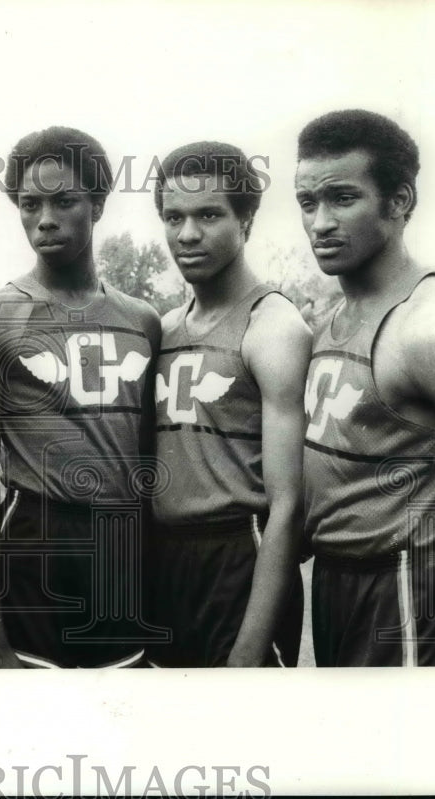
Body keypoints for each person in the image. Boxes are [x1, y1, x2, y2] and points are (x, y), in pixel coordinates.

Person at [0, 127, 162, 669]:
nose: (45, 218)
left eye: (64, 201)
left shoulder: (142, 320)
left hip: (121, 547)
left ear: (98, 204)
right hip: (36, 538)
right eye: (30, 204)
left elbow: (145, 462)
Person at [295, 109, 435, 666]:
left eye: (342, 198)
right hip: (335, 582)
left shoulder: (434, 323)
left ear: (399, 201)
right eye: (307, 203)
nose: (320, 222)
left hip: (408, 583)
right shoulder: (330, 318)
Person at [148, 142, 310, 667]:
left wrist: (249, 648)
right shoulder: (163, 328)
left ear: (247, 221)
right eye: (173, 217)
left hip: (240, 553)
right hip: (165, 559)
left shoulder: (274, 327)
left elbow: (287, 505)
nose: (187, 234)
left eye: (209, 215)